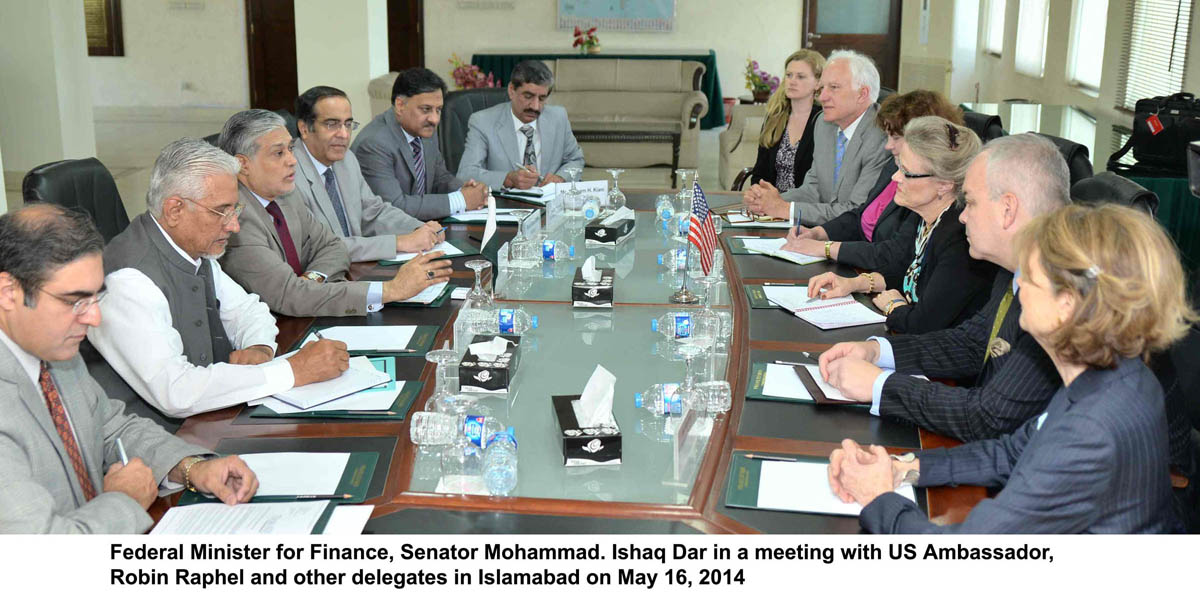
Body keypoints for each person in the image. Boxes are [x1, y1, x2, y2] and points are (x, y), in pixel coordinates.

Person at [829, 204, 1193, 533]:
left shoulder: (1092, 428)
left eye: (1028, 278)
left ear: (1066, 305)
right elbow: (1010, 453)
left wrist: (877, 497)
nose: (1016, 288)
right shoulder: (1111, 372)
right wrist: (905, 468)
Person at [0, 204, 258, 533]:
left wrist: (190, 467)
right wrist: (125, 500)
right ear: (9, 292)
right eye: (74, 301)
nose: (93, 318)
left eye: (95, 299)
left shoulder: (50, 345)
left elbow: (110, 428)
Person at [817, 133, 1067, 442]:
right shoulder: (1014, 269)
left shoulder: (1059, 296)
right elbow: (973, 344)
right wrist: (876, 351)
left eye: (971, 203)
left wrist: (879, 385)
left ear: (1008, 209)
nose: (961, 216)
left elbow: (987, 417)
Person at [88, 138, 350, 419]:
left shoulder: (192, 247)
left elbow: (248, 310)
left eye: (235, 210)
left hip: (212, 417)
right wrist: (292, 371)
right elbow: (177, 392)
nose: (234, 225)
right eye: (221, 211)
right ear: (175, 210)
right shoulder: (127, 281)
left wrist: (259, 347)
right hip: (158, 445)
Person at [217, 109, 452, 317]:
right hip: (273, 336)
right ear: (243, 164)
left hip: (312, 312)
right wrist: (391, 290)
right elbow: (290, 296)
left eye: (290, 149)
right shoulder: (236, 221)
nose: (292, 161)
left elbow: (333, 247)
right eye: (279, 153)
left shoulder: (285, 195)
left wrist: (313, 279)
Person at [805, 117, 996, 334]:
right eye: (898, 167)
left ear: (943, 184)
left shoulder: (960, 239)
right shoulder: (923, 215)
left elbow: (922, 323)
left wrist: (893, 306)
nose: (895, 177)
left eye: (906, 172)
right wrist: (854, 283)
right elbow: (904, 271)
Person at [782, 90, 964, 272]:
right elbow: (860, 214)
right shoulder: (893, 167)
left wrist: (826, 248)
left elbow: (893, 253)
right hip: (860, 266)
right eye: (887, 136)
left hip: (876, 273)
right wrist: (818, 233)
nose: (888, 145)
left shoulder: (923, 188)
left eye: (896, 137)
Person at [293, 85, 446, 263]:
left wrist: (420, 228)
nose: (344, 134)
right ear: (304, 129)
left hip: (357, 268)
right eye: (331, 124)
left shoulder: (346, 159)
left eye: (348, 124)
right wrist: (399, 242)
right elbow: (323, 247)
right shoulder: (289, 174)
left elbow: (373, 212)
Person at [743, 49, 892, 226]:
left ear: (862, 94)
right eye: (822, 88)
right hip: (820, 231)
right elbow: (813, 189)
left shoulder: (882, 136)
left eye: (834, 88)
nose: (822, 97)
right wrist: (769, 200)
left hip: (856, 241)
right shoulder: (823, 124)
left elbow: (857, 211)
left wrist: (784, 208)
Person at [352, 68, 488, 220]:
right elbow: (394, 208)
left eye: (439, 110)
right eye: (426, 109)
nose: (435, 119)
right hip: (389, 236)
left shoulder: (424, 129)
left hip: (424, 229)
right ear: (400, 105)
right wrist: (460, 200)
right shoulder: (373, 144)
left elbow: (439, 179)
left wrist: (466, 190)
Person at [457, 60, 585, 191]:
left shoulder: (558, 117)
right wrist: (508, 179)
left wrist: (561, 178)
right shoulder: (483, 122)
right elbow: (466, 174)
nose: (535, 106)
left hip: (549, 204)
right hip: (505, 205)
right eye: (528, 96)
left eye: (541, 99)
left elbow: (575, 160)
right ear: (511, 90)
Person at [748, 50, 825, 192]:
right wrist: (758, 192)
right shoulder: (775, 117)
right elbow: (759, 172)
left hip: (805, 207)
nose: (792, 81)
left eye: (801, 77)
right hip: (771, 205)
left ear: (818, 83)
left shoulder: (824, 120)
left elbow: (823, 182)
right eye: (789, 75)